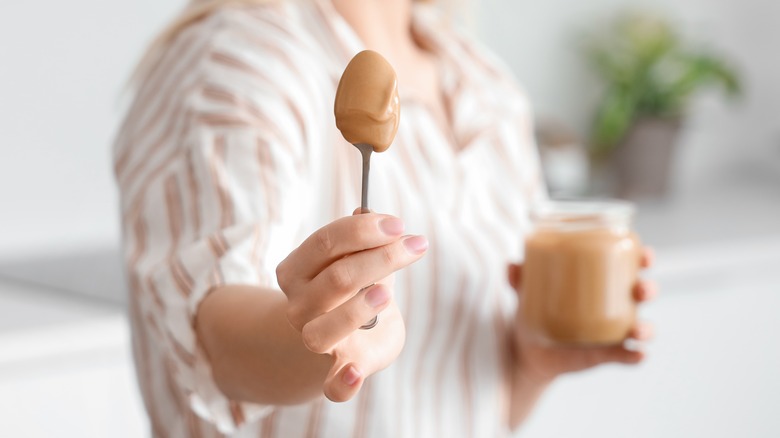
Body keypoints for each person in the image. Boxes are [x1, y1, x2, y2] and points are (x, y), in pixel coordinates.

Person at [113, 0, 657, 436]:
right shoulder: (234, 61)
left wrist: (530, 368)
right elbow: (216, 340)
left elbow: (486, 410)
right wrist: (324, 331)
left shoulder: (484, 83)